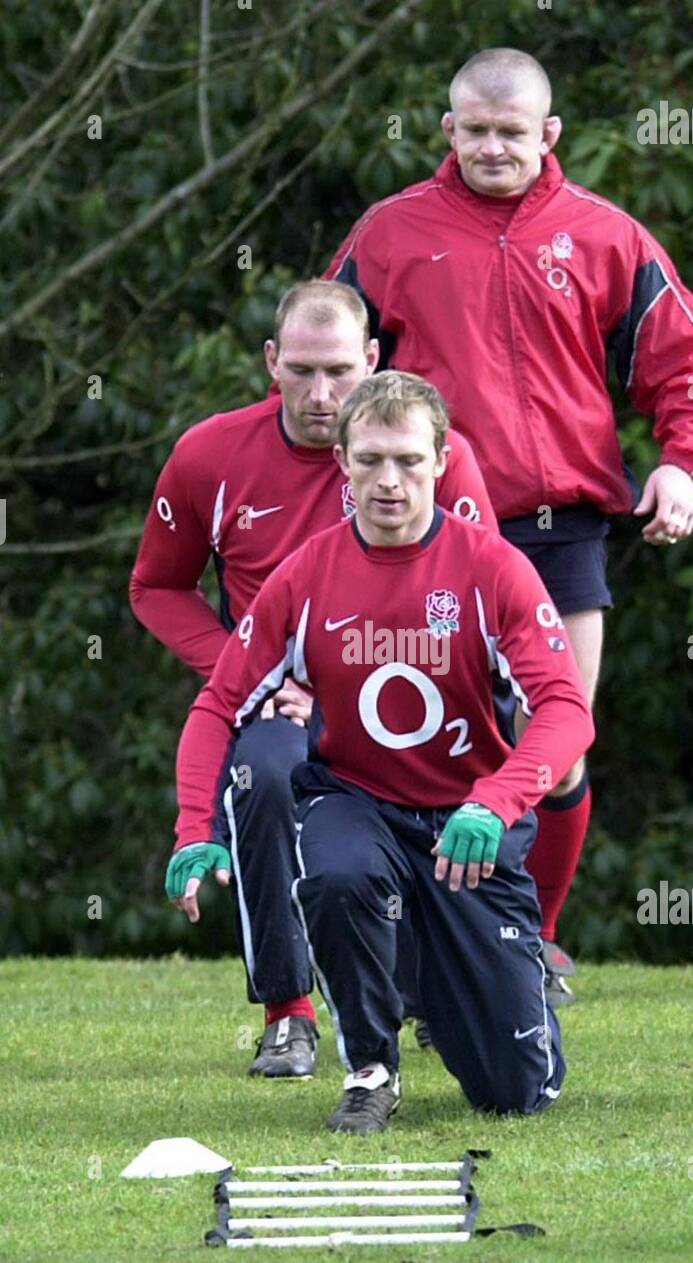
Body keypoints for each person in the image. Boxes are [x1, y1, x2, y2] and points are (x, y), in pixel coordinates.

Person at [326, 48, 693, 1003]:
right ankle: (422, 953)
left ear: (547, 134)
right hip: (428, 536)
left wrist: (682, 463)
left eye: (510, 133)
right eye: (473, 131)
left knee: (556, 745)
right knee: (431, 752)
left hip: (562, 534)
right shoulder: (390, 235)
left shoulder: (603, 236)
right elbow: (330, 371)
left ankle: (531, 941)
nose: (490, 148)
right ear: (448, 130)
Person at [165, 372, 594, 1132]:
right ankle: (370, 1067)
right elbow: (215, 707)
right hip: (355, 799)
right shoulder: (306, 576)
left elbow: (564, 709)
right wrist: (196, 830)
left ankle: (455, 985)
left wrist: (494, 801)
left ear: (440, 462)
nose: (387, 481)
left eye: (406, 459)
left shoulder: (491, 568)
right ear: (343, 466)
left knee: (513, 1091)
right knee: (334, 872)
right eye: (368, 461)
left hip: (469, 824)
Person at [131, 281, 496, 1078]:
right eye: (300, 370)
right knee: (262, 775)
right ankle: (287, 1014)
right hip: (274, 693)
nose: (321, 392)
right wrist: (250, 670)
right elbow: (156, 587)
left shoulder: (438, 453)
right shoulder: (207, 455)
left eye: (337, 369)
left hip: (408, 691)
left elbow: (476, 597)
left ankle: (440, 985)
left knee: (445, 771)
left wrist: (355, 677)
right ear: (271, 363)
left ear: (371, 359)